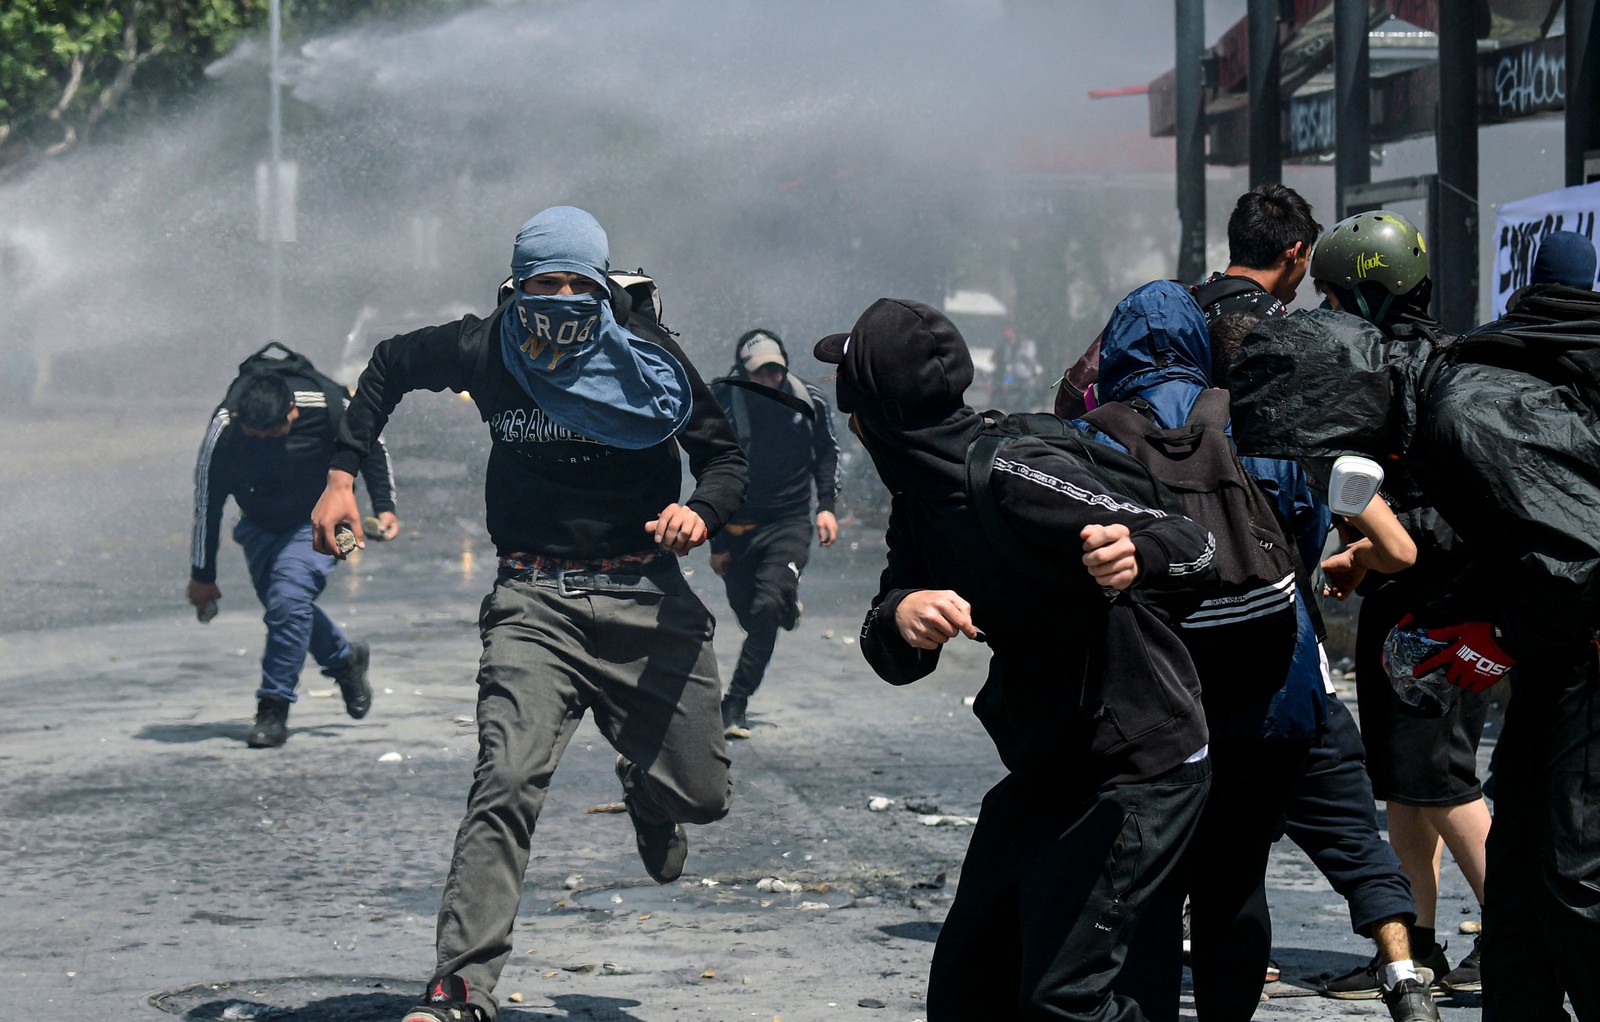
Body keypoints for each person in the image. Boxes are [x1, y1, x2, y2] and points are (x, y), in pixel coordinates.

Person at [310, 206, 747, 1022]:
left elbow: (723, 458)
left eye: (575, 283)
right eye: (541, 283)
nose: (558, 299)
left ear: (601, 286)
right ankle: (457, 989)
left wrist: (702, 514)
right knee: (505, 780)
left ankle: (649, 795)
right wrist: (343, 472)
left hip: (645, 594)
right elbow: (387, 366)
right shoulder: (488, 346)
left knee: (703, 795)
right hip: (532, 599)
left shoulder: (650, 357)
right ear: (515, 285)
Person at [817, 297, 1217, 1021]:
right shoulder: (920, 499)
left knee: (1062, 1000)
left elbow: (1194, 542)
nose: (848, 423)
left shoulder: (1010, 473)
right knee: (969, 988)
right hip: (1048, 763)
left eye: (853, 406)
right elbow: (895, 651)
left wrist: (1137, 553)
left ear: (874, 414)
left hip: (1139, 763)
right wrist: (901, 616)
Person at [1226, 257, 1600, 1020]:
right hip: (1555, 657)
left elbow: (1582, 557)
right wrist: (1469, 617)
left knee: (1571, 878)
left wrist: (1493, 634)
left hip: (1583, 661)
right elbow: (1515, 543)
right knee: (1524, 875)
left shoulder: (1466, 411)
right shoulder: (1438, 408)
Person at [1092, 282, 1434, 1022]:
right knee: (1236, 882)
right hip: (1271, 694)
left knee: (1151, 891)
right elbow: (1313, 537)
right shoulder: (1262, 425)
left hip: (1157, 708)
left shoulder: (1098, 438)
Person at [1303, 211, 1490, 998]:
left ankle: (1520, 933)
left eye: (1336, 295)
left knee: (1446, 785)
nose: (1328, 312)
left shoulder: (1398, 372)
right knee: (1410, 787)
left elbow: (1435, 512)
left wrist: (1366, 549)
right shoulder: (1446, 359)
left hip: (1432, 609)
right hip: (1416, 601)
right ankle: (1411, 947)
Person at [189, 348, 397, 749]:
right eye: (257, 436)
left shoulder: (331, 405)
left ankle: (273, 707)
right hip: (259, 528)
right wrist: (203, 576)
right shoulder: (225, 427)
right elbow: (206, 504)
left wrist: (385, 507)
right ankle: (344, 660)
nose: (266, 441)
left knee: (287, 602)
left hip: (323, 522)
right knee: (289, 608)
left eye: (274, 432)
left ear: (293, 413)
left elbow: (369, 443)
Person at [708, 329, 840, 738]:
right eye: (760, 373)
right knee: (750, 612)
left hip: (788, 521)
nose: (769, 381)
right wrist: (717, 542)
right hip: (738, 526)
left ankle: (736, 702)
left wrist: (827, 509)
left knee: (765, 608)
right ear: (743, 372)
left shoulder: (809, 400)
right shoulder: (722, 402)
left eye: (775, 371)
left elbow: (827, 454)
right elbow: (709, 469)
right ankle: (784, 602)